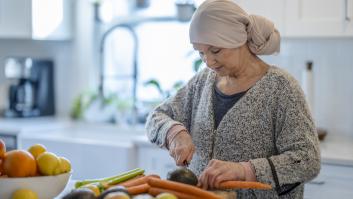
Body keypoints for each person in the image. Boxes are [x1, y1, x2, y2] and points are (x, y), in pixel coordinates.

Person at [145, 0, 321, 198]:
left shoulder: (282, 88)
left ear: (237, 39)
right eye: (201, 53)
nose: (209, 62)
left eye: (216, 50)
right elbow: (156, 117)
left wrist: (243, 170)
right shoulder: (202, 81)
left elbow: (307, 160)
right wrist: (174, 133)